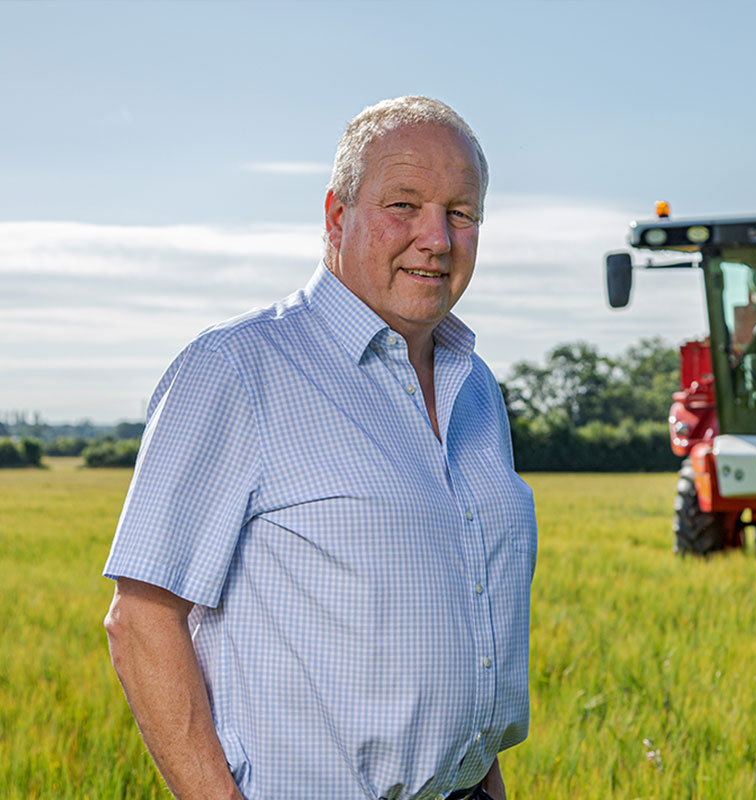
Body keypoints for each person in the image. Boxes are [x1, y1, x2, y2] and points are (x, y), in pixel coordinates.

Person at [102, 96, 536, 800]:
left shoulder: (476, 388)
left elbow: (465, 624)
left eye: (461, 213)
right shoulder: (239, 369)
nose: (438, 238)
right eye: (404, 205)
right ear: (337, 216)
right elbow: (142, 619)